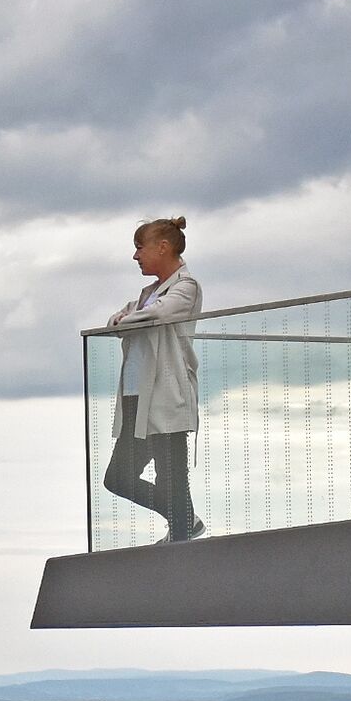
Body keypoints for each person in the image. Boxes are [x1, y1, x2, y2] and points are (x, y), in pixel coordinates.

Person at [104, 216, 204, 541]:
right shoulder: (148, 293)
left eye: (140, 247)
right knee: (118, 478)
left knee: (171, 477)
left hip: (166, 397)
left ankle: (182, 535)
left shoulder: (186, 287)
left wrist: (126, 319)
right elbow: (116, 321)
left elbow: (157, 314)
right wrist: (125, 319)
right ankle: (185, 522)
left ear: (162, 247)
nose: (136, 256)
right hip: (136, 398)